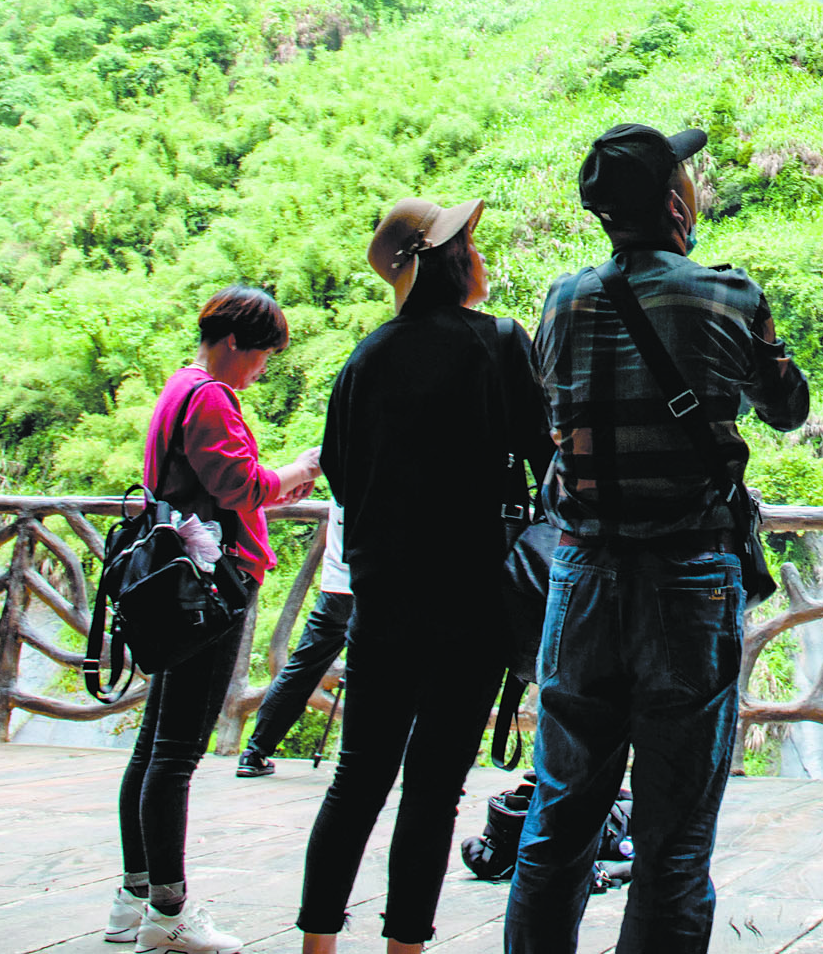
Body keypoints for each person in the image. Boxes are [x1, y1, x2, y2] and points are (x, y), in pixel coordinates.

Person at [504, 123, 811, 954]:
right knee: (673, 840)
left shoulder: (560, 300)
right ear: (677, 204)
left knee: (558, 820)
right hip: (688, 582)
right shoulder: (729, 294)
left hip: (581, 579)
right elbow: (789, 407)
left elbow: (547, 407)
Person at [296, 197, 553, 954]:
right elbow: (545, 460)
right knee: (433, 789)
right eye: (470, 242)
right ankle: (404, 945)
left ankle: (317, 944)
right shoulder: (501, 343)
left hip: (382, 599)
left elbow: (340, 472)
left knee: (357, 781)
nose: (479, 253)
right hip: (474, 598)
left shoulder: (366, 357)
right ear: (452, 259)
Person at [108, 287, 320, 954]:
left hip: (173, 581)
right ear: (234, 341)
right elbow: (239, 485)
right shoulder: (210, 397)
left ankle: (135, 896)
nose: (260, 370)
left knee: (153, 745)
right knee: (176, 753)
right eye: (260, 355)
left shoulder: (179, 387)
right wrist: (296, 469)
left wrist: (274, 479)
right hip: (208, 586)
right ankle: (167, 912)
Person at [236, 499, 353, 779]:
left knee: (301, 669)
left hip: (336, 587)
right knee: (406, 676)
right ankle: (417, 765)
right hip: (384, 587)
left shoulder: (342, 463)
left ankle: (254, 752)